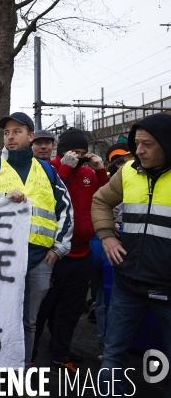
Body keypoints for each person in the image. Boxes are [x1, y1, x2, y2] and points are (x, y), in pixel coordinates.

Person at [0, 112, 73, 372]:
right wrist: (0, 196)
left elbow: (65, 211)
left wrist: (58, 249)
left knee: (28, 323)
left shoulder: (48, 171)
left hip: (39, 261)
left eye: (17, 132)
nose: (10, 137)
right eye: (6, 133)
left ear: (31, 137)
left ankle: (19, 372)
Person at [92, 113, 171, 397]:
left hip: (168, 288)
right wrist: (107, 236)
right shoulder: (127, 172)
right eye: (137, 143)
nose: (139, 151)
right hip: (129, 284)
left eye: (147, 144)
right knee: (113, 354)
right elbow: (100, 200)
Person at [32, 127, 108, 373]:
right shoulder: (49, 169)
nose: (77, 156)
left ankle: (60, 353)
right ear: (63, 151)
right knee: (43, 309)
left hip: (82, 252)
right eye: (73, 151)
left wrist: (100, 170)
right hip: (54, 253)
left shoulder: (87, 172)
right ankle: (30, 354)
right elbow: (49, 196)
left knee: (71, 309)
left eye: (81, 152)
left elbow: (105, 197)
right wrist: (64, 167)